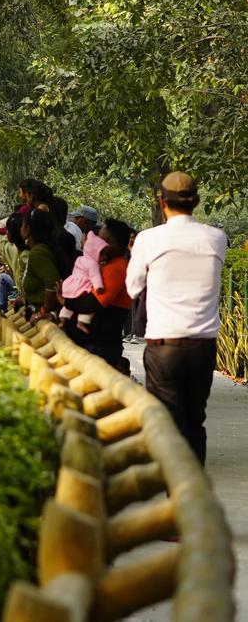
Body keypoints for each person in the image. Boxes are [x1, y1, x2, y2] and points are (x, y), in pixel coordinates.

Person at [125, 172, 227, 465]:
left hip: (163, 346)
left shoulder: (148, 239)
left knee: (168, 424)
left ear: (161, 202)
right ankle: (193, 493)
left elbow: (133, 287)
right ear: (196, 201)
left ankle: (174, 497)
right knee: (195, 422)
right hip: (203, 347)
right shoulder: (217, 238)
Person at [60, 219, 133, 370]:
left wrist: (66, 301)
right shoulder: (105, 265)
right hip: (94, 345)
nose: (98, 244)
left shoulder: (117, 267)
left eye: (103, 240)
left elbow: (94, 303)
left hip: (100, 347)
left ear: (114, 243)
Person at [59, 233, 109, 334]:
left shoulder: (80, 259)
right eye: (101, 254)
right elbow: (95, 276)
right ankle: (82, 322)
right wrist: (99, 286)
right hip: (82, 287)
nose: (104, 257)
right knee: (88, 307)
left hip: (71, 285)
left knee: (68, 305)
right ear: (94, 252)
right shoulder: (93, 264)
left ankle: (63, 319)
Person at [18, 208, 63, 317]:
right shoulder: (40, 249)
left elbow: (53, 285)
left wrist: (43, 311)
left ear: (28, 229)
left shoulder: (38, 253)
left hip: (43, 316)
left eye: (23, 225)